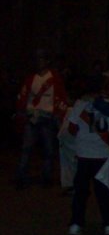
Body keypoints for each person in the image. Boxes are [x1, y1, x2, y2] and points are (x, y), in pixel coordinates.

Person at [67, 74, 109, 235]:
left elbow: (71, 128)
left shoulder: (80, 104)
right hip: (102, 154)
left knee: (80, 191)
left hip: (83, 154)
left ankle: (76, 223)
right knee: (104, 191)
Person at [14, 49, 69, 188]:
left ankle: (46, 176)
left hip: (47, 117)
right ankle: (21, 175)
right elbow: (24, 96)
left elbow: (61, 96)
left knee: (48, 149)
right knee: (26, 148)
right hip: (32, 116)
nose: (39, 62)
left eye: (41, 59)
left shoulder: (54, 78)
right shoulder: (31, 79)